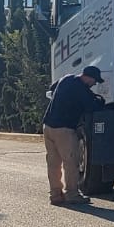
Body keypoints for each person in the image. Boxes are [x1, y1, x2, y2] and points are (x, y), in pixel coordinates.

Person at [42, 65, 106, 206]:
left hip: (48, 126)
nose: (94, 84)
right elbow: (92, 107)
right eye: (94, 81)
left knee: (53, 163)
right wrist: (100, 101)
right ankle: (72, 194)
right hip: (64, 129)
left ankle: (56, 195)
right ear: (89, 77)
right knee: (70, 162)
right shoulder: (81, 89)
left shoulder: (66, 79)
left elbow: (53, 88)